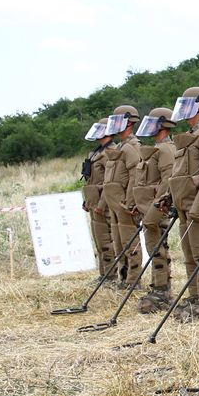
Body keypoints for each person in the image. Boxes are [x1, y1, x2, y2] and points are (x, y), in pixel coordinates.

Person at [163, 87, 199, 321]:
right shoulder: (187, 136)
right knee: (188, 252)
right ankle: (195, 294)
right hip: (183, 205)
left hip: (195, 205)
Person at [129, 107, 177, 313]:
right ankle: (159, 286)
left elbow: (168, 179)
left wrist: (159, 204)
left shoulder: (165, 149)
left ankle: (162, 289)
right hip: (150, 208)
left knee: (158, 250)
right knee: (154, 249)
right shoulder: (157, 148)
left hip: (157, 210)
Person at [102, 105, 144, 289]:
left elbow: (136, 174)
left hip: (125, 205)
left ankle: (134, 281)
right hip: (116, 206)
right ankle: (124, 278)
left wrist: (130, 201)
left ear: (128, 122)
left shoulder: (132, 146)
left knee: (130, 244)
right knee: (120, 245)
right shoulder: (121, 146)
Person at [81, 119, 116, 275]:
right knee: (100, 241)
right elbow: (91, 180)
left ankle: (113, 275)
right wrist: (87, 201)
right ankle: (105, 274)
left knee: (108, 241)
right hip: (94, 203)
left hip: (105, 204)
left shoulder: (110, 152)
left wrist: (101, 205)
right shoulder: (97, 151)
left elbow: (109, 182)